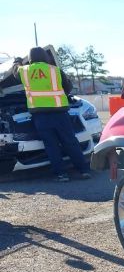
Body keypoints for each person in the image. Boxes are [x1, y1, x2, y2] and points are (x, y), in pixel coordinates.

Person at [16, 47, 91, 182]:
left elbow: (15, 72)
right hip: (60, 114)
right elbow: (68, 88)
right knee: (70, 142)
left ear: (30, 58)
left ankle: (61, 174)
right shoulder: (55, 70)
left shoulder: (25, 71)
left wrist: (18, 61)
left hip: (40, 117)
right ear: (45, 56)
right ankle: (84, 170)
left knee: (51, 145)